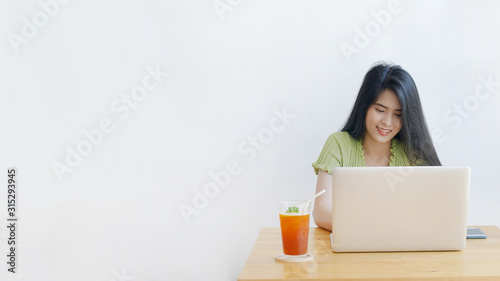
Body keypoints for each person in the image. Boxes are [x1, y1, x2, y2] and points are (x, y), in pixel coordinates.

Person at [311, 62, 441, 231]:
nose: (387, 122)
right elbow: (321, 211)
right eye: (380, 110)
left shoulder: (412, 153)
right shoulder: (338, 144)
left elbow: (434, 211)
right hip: (352, 247)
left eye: (397, 115)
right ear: (364, 106)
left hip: (402, 250)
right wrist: (374, 229)